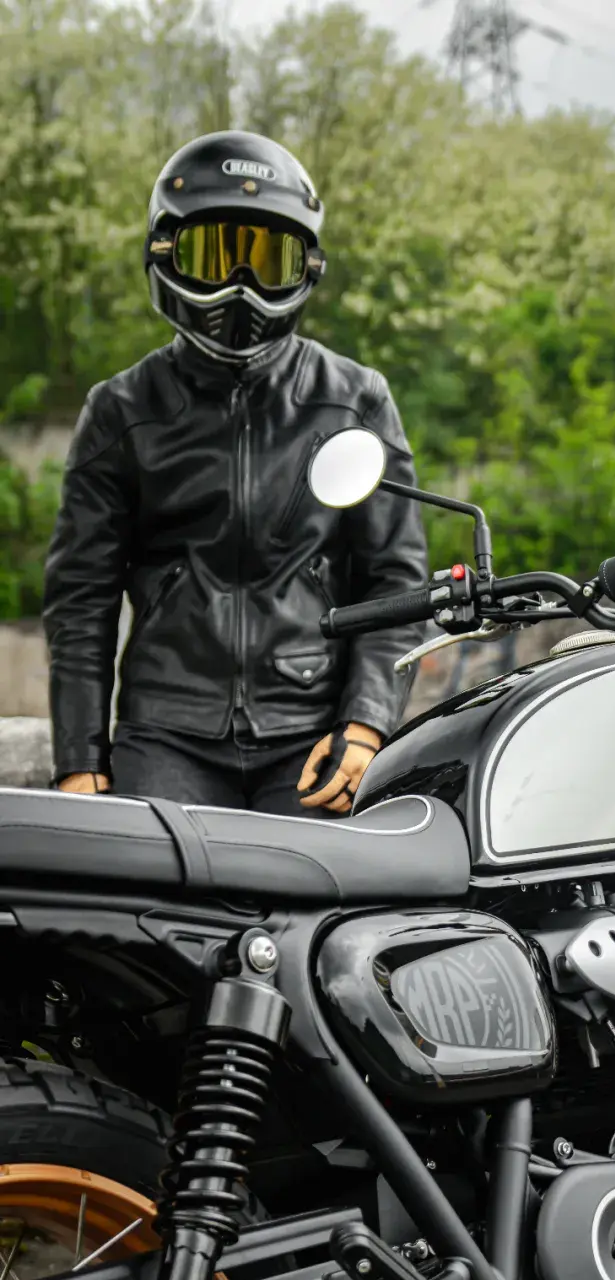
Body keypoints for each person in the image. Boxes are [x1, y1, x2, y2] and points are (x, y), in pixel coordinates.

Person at [43, 130, 428, 815]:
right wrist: (79, 761)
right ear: (164, 252)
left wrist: (367, 724)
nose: (240, 286)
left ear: (306, 267)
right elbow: (81, 597)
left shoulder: (355, 398)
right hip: (166, 731)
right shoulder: (120, 409)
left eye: (266, 260)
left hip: (310, 728)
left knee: (318, 884)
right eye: (215, 256)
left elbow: (396, 580)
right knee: (153, 884)